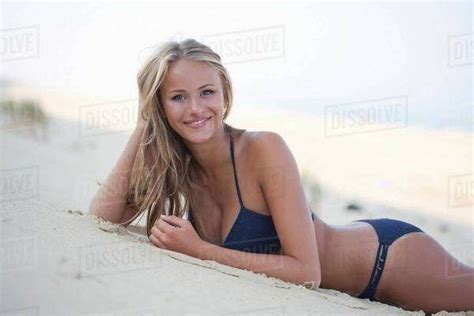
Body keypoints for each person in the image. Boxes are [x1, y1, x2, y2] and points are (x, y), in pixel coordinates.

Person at [89, 39, 474, 314]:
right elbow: (102, 217)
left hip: (389, 262)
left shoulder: (263, 149)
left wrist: (200, 250)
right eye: (176, 97)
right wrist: (144, 125)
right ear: (159, 104)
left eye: (207, 92)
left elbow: (308, 273)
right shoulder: (176, 163)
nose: (195, 108)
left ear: (224, 93)